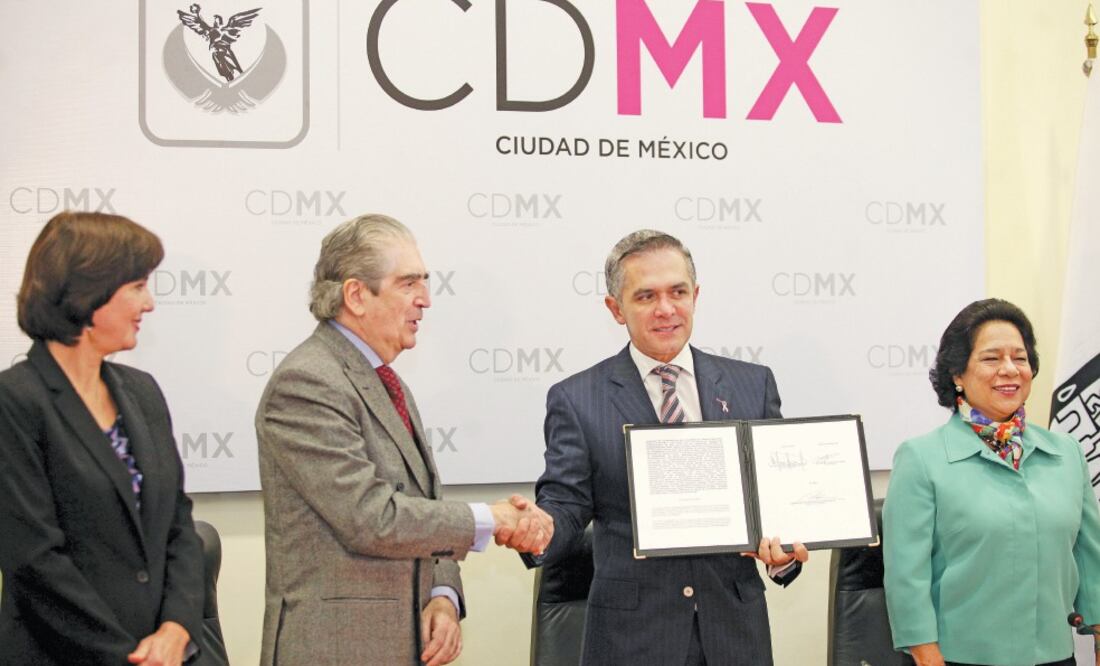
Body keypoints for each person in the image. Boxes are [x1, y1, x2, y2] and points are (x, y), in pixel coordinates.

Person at [256, 213, 552, 666]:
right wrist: (492, 519)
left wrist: (442, 594)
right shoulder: (307, 382)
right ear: (356, 294)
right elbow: (370, 518)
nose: (426, 300)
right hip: (337, 650)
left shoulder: (384, 379)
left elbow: (424, 501)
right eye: (409, 283)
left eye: (425, 282)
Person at [527, 229, 808, 665]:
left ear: (695, 295)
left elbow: (773, 505)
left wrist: (783, 554)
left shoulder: (753, 385)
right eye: (645, 297)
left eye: (678, 292)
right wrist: (533, 528)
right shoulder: (577, 399)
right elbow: (565, 504)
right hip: (631, 640)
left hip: (735, 635)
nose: (665, 309)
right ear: (615, 309)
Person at [0, 211, 204, 665]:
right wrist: (125, 656)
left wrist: (176, 630)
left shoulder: (143, 392)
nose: (148, 303)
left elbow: (179, 526)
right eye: (136, 286)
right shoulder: (15, 400)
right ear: (87, 293)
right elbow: (34, 559)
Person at [884, 298, 1100, 666]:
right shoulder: (921, 458)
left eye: (1020, 357)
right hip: (955, 659)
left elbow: (1090, 554)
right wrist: (925, 653)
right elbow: (907, 576)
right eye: (991, 358)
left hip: (1054, 656)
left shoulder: (1066, 452)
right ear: (957, 375)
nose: (1009, 369)